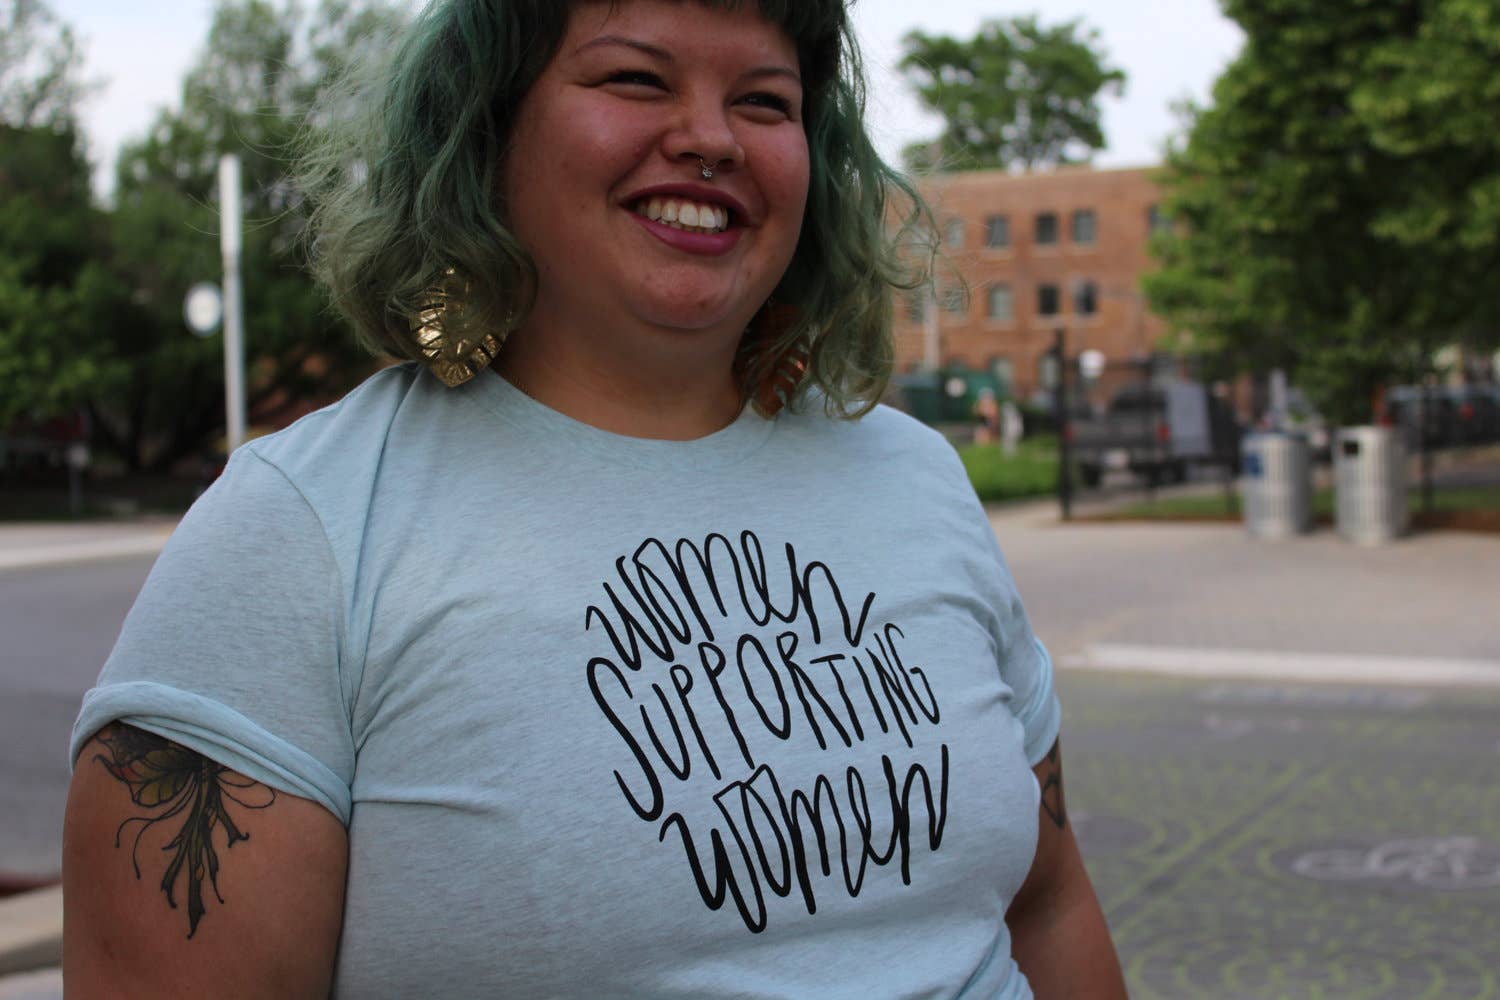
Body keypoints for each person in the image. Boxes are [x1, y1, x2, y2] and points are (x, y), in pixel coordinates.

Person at [62, 1, 1127, 996]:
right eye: (635, 79)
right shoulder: (301, 531)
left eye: (764, 100)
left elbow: (1047, 904)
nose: (711, 137)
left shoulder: (917, 475)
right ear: (486, 131)